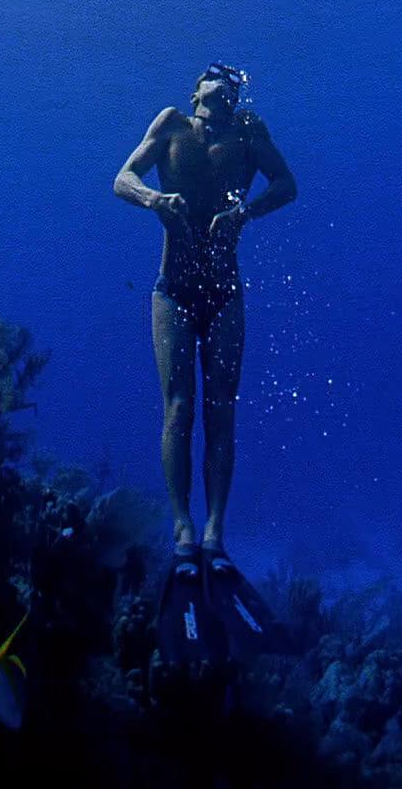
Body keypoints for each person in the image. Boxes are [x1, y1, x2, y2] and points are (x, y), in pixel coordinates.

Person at [114, 61, 296, 663]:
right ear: (194, 93)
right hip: (172, 286)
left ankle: (215, 531)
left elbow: (286, 184)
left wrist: (249, 211)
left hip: (225, 289)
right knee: (178, 406)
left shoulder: (248, 134)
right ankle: (183, 530)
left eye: (230, 89)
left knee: (221, 409)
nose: (221, 94)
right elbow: (121, 177)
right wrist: (153, 198)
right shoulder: (170, 124)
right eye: (211, 87)